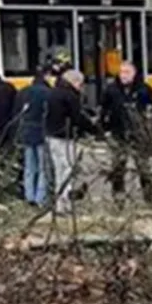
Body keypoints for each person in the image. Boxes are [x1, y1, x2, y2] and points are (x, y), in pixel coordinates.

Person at [100, 61, 152, 206]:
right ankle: (119, 198)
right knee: (118, 167)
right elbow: (103, 110)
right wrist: (105, 129)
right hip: (118, 133)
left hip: (139, 135)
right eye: (121, 72)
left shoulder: (144, 89)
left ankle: (148, 197)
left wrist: (150, 128)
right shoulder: (111, 90)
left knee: (144, 168)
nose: (123, 75)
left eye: (127, 72)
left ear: (134, 73)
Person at [46, 69, 96, 214]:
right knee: (68, 171)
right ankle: (66, 204)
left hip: (51, 136)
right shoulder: (70, 96)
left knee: (58, 171)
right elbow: (77, 117)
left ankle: (58, 204)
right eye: (80, 85)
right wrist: (91, 128)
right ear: (75, 82)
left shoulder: (52, 92)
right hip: (65, 137)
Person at [15, 68, 53, 207]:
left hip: (26, 130)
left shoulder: (23, 92)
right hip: (42, 131)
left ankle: (28, 195)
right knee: (43, 167)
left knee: (29, 166)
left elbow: (16, 112)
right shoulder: (48, 93)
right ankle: (40, 197)